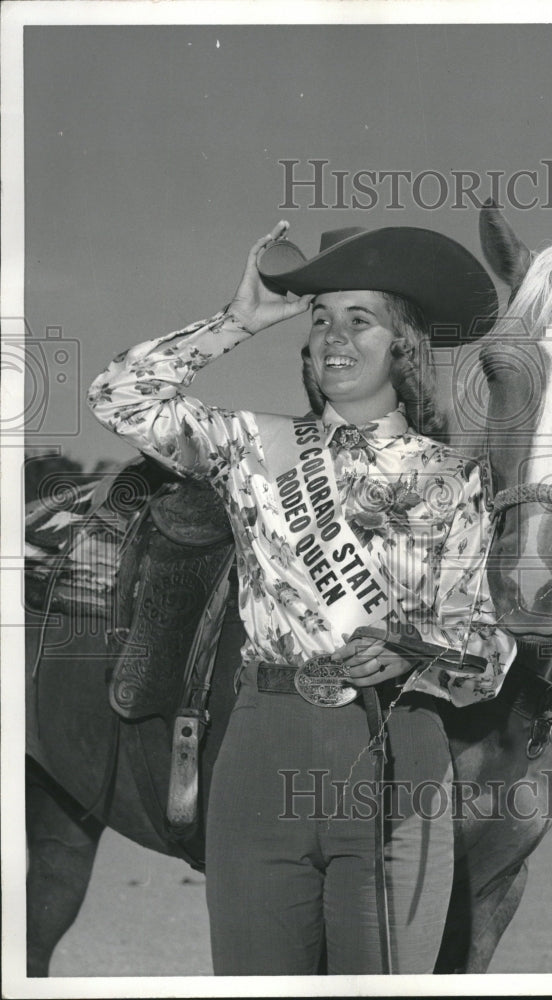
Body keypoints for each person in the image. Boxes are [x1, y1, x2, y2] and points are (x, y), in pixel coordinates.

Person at [87, 220, 517, 975]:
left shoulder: (455, 478)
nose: (335, 338)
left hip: (396, 755)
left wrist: (410, 654)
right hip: (260, 750)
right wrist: (239, 320)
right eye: (321, 320)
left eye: (361, 320)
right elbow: (120, 395)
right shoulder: (252, 446)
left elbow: (484, 647)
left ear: (404, 345)